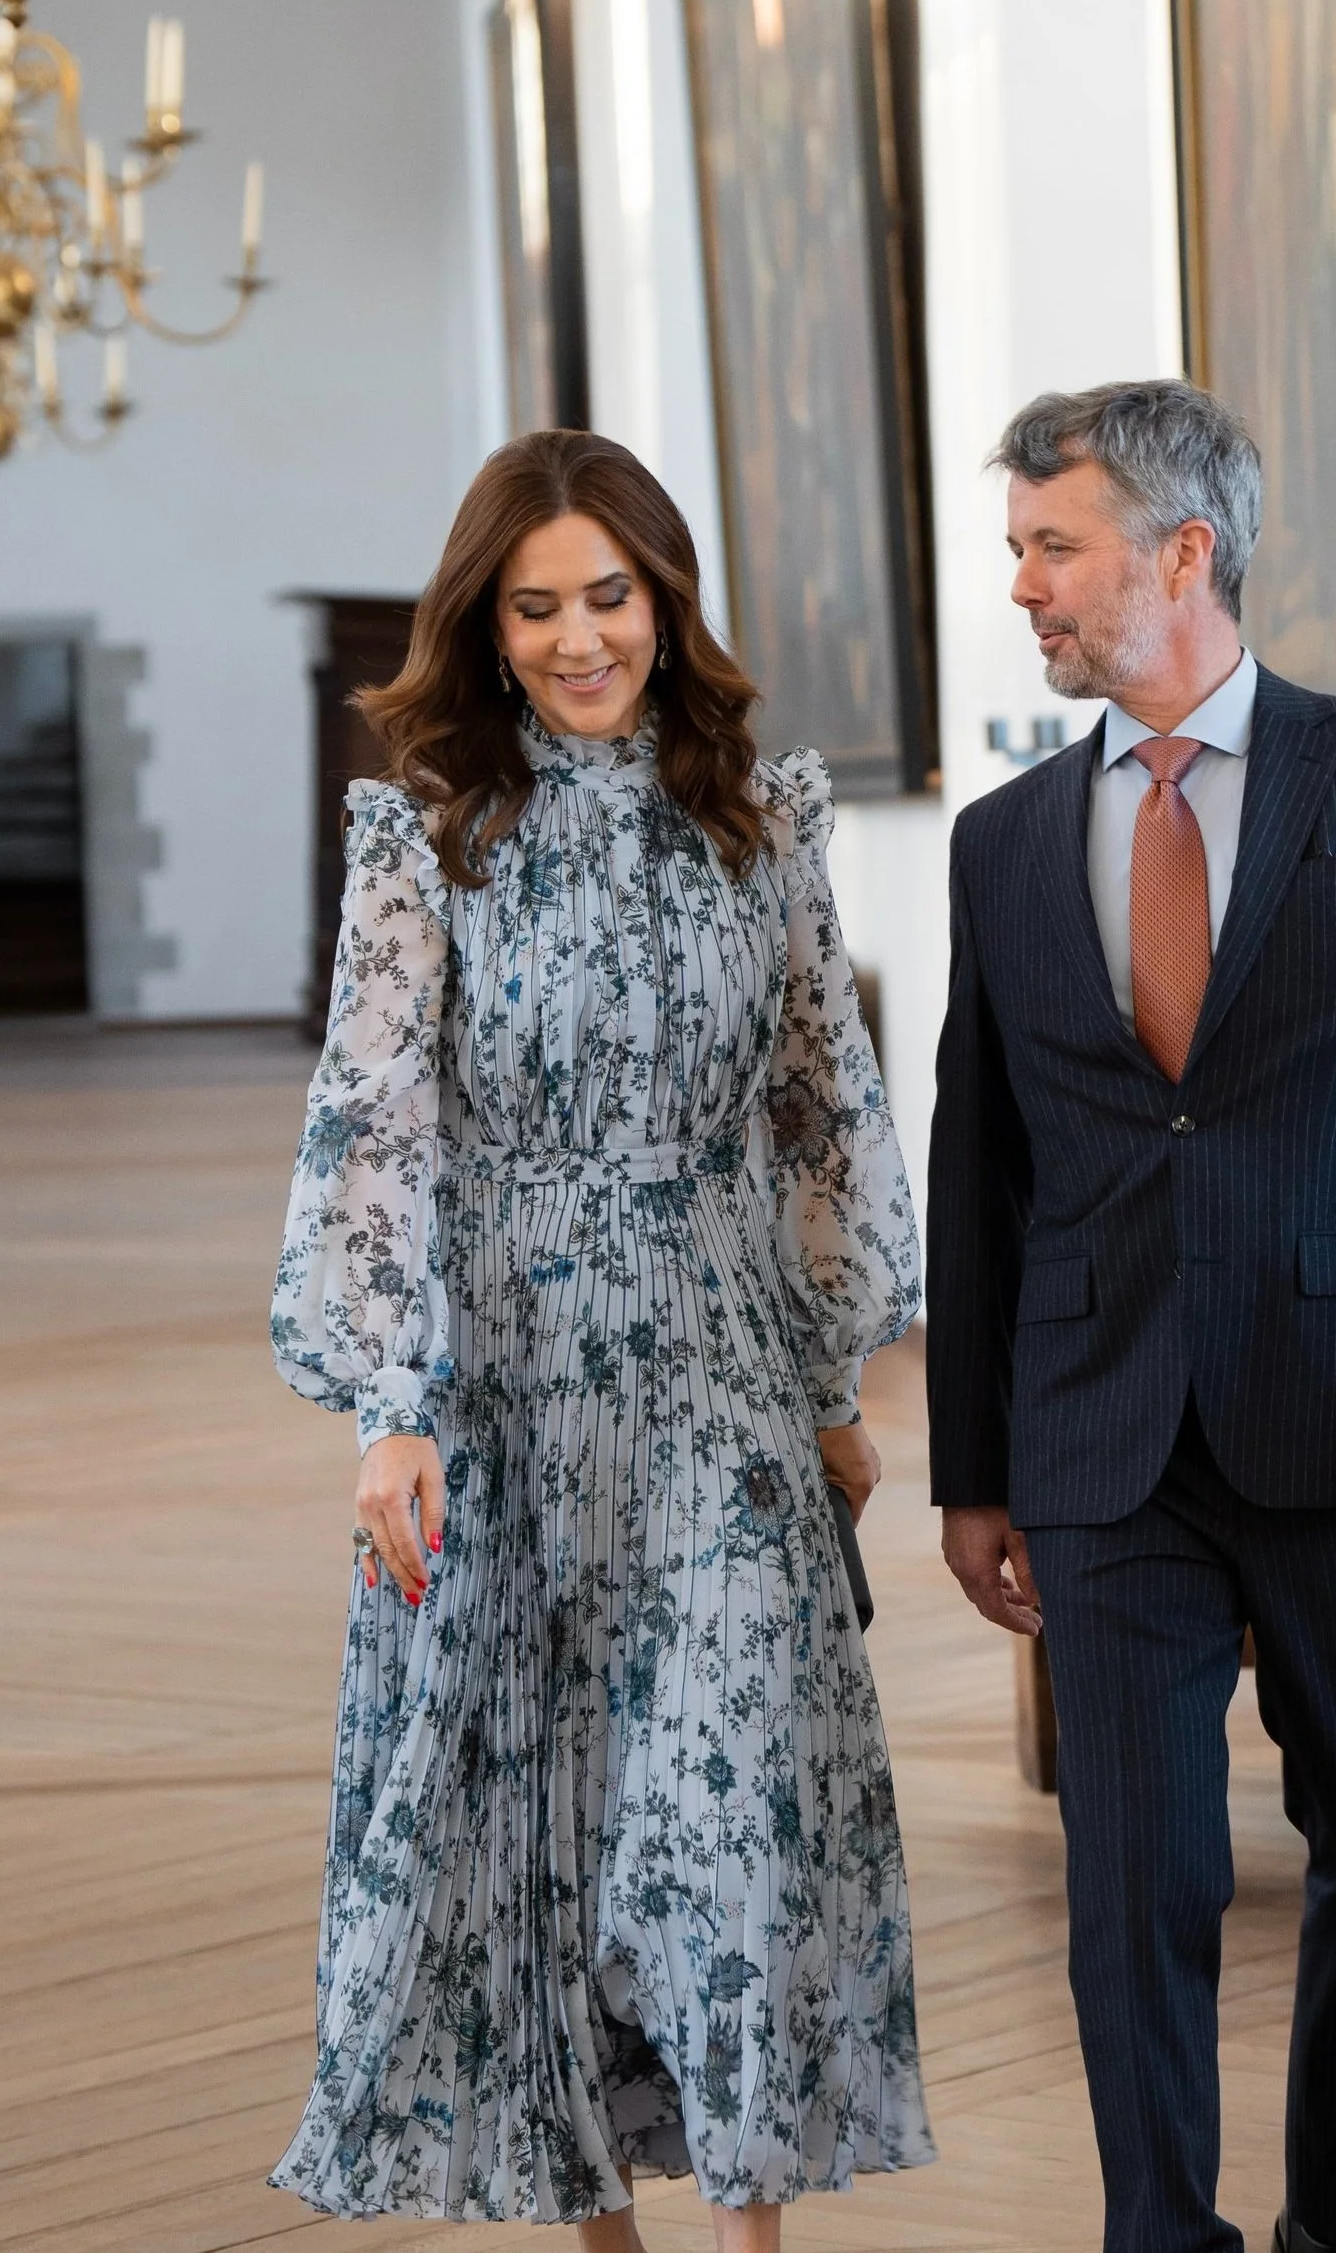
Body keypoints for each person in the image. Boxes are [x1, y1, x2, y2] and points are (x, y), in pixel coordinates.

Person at [268, 431, 932, 2250]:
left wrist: (829, 1385)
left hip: (719, 1379)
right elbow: (377, 1121)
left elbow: (819, 1107)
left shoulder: (760, 818)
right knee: (549, 1826)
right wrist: (390, 1408)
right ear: (486, 626)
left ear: (666, 598)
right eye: (536, 606)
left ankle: (749, 2229)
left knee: (730, 1825)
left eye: (610, 598)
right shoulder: (423, 842)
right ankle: (603, 2229)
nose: (579, 640)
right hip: (504, 1389)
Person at [927, 381, 1336, 2253]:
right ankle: (1158, 2233)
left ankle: (1335, 2218)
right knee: (1136, 1875)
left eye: (1054, 544)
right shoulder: (1009, 839)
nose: (1021, 583)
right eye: (1016, 544)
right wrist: (975, 1468)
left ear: (1182, 552)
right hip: (1105, 1442)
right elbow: (983, 1174)